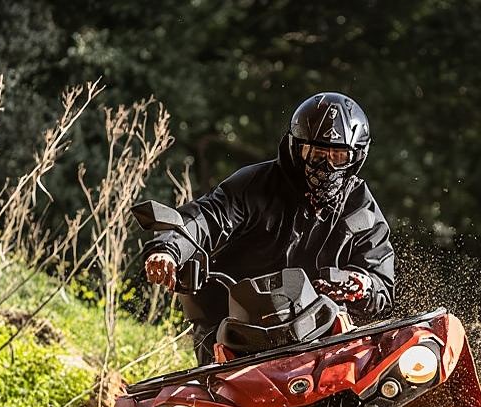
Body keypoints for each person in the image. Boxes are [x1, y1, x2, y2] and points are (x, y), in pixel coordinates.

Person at [143, 92, 395, 364]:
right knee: (210, 386)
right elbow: (205, 217)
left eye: (338, 155)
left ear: (356, 157)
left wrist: (362, 285)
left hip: (318, 332)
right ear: (297, 148)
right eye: (317, 153)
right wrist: (168, 248)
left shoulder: (361, 209)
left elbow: (380, 281)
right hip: (234, 326)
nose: (326, 165)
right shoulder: (254, 185)